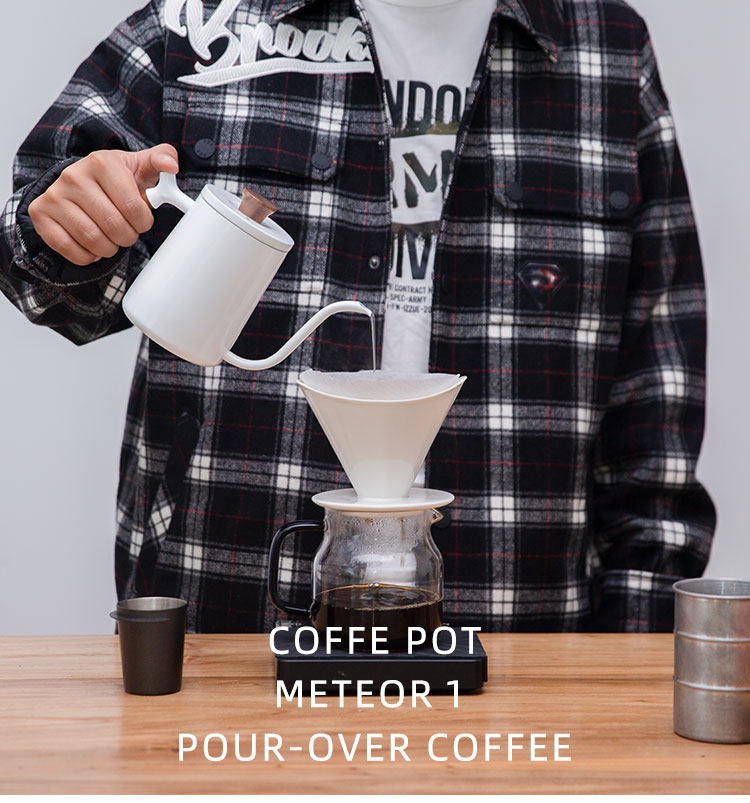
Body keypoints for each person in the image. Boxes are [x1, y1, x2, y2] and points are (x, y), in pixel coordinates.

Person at [0, 0, 715, 633]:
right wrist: (66, 224)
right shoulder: (197, 25)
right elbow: (41, 278)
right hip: (225, 629)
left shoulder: (610, 52)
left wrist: (635, 669)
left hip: (519, 645)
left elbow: (656, 412)